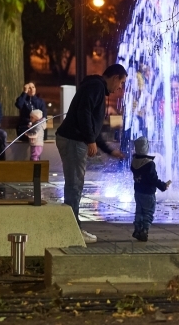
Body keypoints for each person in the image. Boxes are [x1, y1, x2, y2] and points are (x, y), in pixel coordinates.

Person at [55, 64, 126, 243]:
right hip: (73, 140)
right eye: (121, 83)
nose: (120, 88)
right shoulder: (95, 87)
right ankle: (72, 230)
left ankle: (70, 226)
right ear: (115, 77)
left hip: (74, 139)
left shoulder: (95, 87)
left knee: (75, 183)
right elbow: (84, 113)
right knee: (74, 184)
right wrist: (90, 140)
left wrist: (109, 150)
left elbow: (94, 127)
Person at [130, 137, 171, 242]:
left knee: (139, 211)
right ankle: (144, 231)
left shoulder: (134, 161)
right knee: (148, 213)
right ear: (146, 147)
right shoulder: (149, 164)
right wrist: (163, 186)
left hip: (138, 192)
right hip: (148, 193)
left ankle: (137, 230)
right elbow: (153, 179)